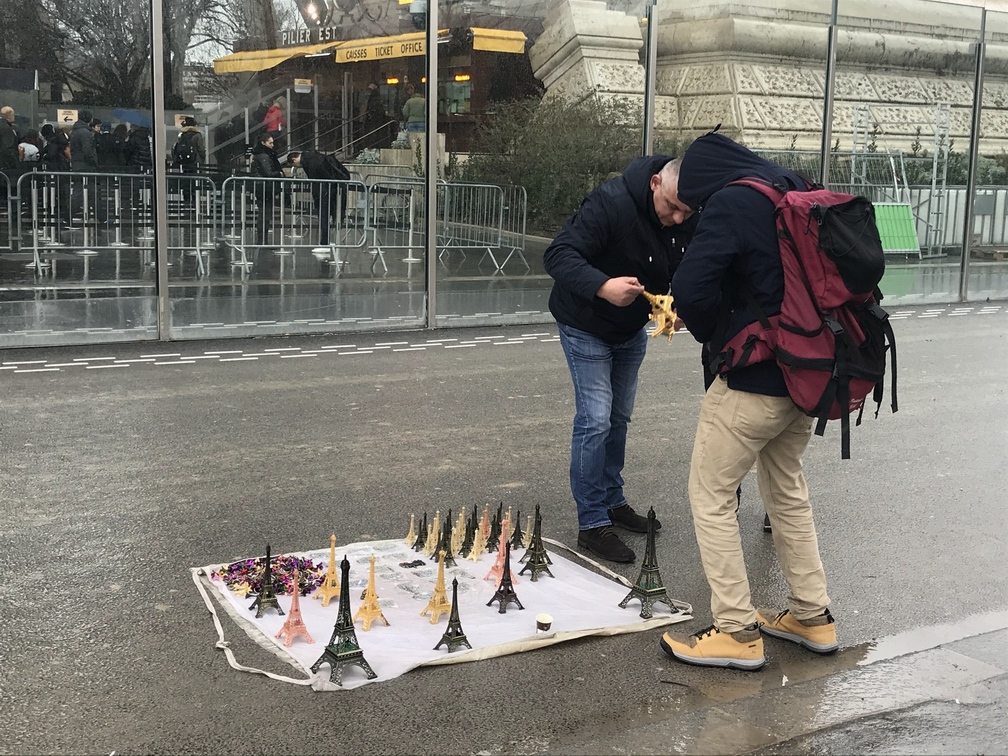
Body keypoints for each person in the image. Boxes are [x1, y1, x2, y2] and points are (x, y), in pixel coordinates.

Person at [659, 132, 838, 671]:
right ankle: (812, 615)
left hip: (753, 379)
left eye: (690, 201)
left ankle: (736, 631)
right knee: (786, 491)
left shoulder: (730, 202)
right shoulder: (791, 186)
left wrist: (717, 339)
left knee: (710, 493)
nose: (691, 210)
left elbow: (691, 291)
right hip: (807, 372)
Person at [542, 156, 691, 564]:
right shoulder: (611, 202)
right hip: (585, 322)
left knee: (619, 417)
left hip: (630, 330)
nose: (678, 219)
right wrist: (603, 285)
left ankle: (612, 500)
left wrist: (680, 306)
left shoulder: (687, 212)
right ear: (655, 183)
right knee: (595, 419)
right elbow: (558, 255)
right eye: (672, 207)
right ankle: (592, 523)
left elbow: (688, 265)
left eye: (686, 211)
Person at [288, 150, 348, 246]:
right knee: (331, 214)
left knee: (324, 215)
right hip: (330, 189)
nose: (297, 167)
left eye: (294, 165)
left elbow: (316, 179)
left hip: (324, 190)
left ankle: (325, 241)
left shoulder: (309, 161)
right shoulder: (314, 157)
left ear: (294, 159)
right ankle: (328, 240)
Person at [249, 132, 283, 245]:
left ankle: (262, 240)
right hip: (265, 188)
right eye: (270, 143)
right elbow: (268, 173)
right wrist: (279, 173)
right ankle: (263, 240)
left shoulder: (258, 154)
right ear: (263, 143)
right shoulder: (265, 156)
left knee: (264, 214)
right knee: (265, 214)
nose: (272, 145)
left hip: (262, 187)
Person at [173, 116, 205, 206]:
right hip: (195, 162)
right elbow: (201, 149)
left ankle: (186, 199)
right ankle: (195, 200)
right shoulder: (197, 135)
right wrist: (202, 158)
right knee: (195, 181)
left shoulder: (182, 135)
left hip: (184, 162)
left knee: (186, 180)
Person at [0, 106, 19, 170]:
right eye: (13, 115)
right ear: (9, 115)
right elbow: (8, 146)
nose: (14, 117)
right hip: (5, 163)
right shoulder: (6, 128)